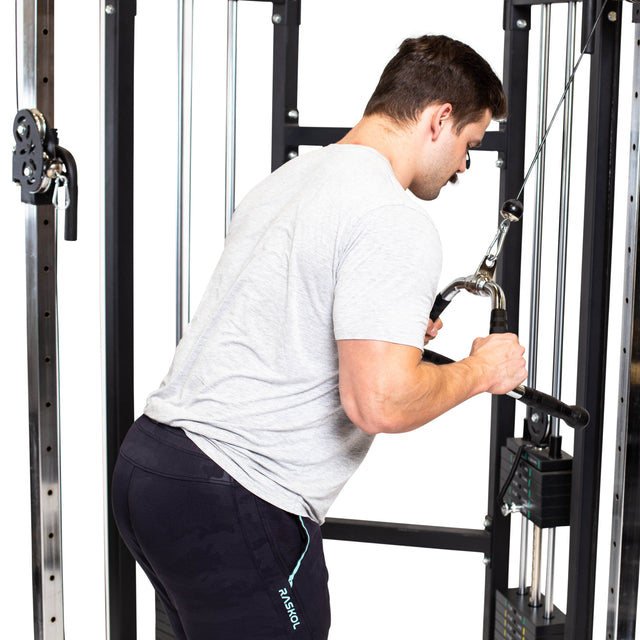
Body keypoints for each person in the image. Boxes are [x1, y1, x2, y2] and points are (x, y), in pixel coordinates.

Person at [112, 34, 527, 640]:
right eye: (469, 142)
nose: (466, 163)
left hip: (152, 469)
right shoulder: (392, 216)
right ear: (440, 119)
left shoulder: (291, 179)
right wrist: (481, 372)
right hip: (235, 491)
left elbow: (285, 316)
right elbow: (378, 402)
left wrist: (387, 330)